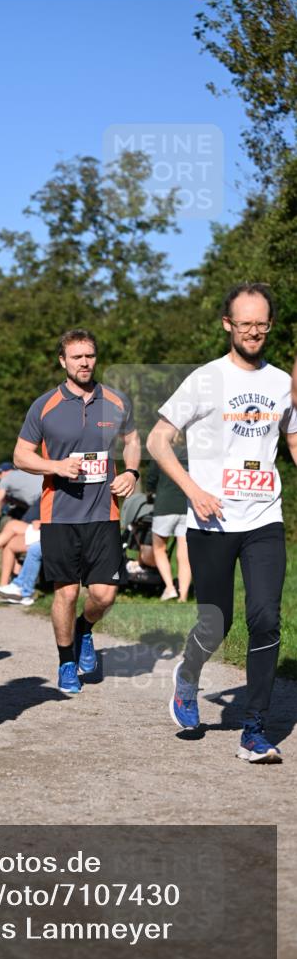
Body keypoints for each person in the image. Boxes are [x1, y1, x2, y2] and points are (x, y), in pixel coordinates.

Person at [147, 283, 297, 763]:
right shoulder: (205, 380)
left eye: (262, 324)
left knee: (266, 618)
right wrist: (193, 491)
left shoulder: (281, 384)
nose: (254, 332)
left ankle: (254, 729)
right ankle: (188, 678)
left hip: (263, 518)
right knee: (216, 622)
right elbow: (158, 441)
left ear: (269, 325)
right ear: (227, 325)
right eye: (245, 323)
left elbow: (293, 443)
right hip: (210, 522)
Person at [13, 328, 141, 694]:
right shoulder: (44, 406)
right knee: (66, 593)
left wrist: (131, 472)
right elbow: (21, 455)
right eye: (77, 357)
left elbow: (132, 440)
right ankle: (66, 661)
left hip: (105, 513)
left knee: (104, 594)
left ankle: (85, 629)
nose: (85, 362)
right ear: (63, 361)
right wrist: (55, 467)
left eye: (90, 356)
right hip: (60, 514)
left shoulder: (116, 401)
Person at [145, 436, 191, 601]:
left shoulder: (160, 453)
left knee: (159, 548)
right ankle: (183, 595)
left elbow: (151, 479)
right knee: (184, 554)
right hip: (187, 506)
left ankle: (170, 588)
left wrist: (149, 492)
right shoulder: (191, 453)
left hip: (165, 506)